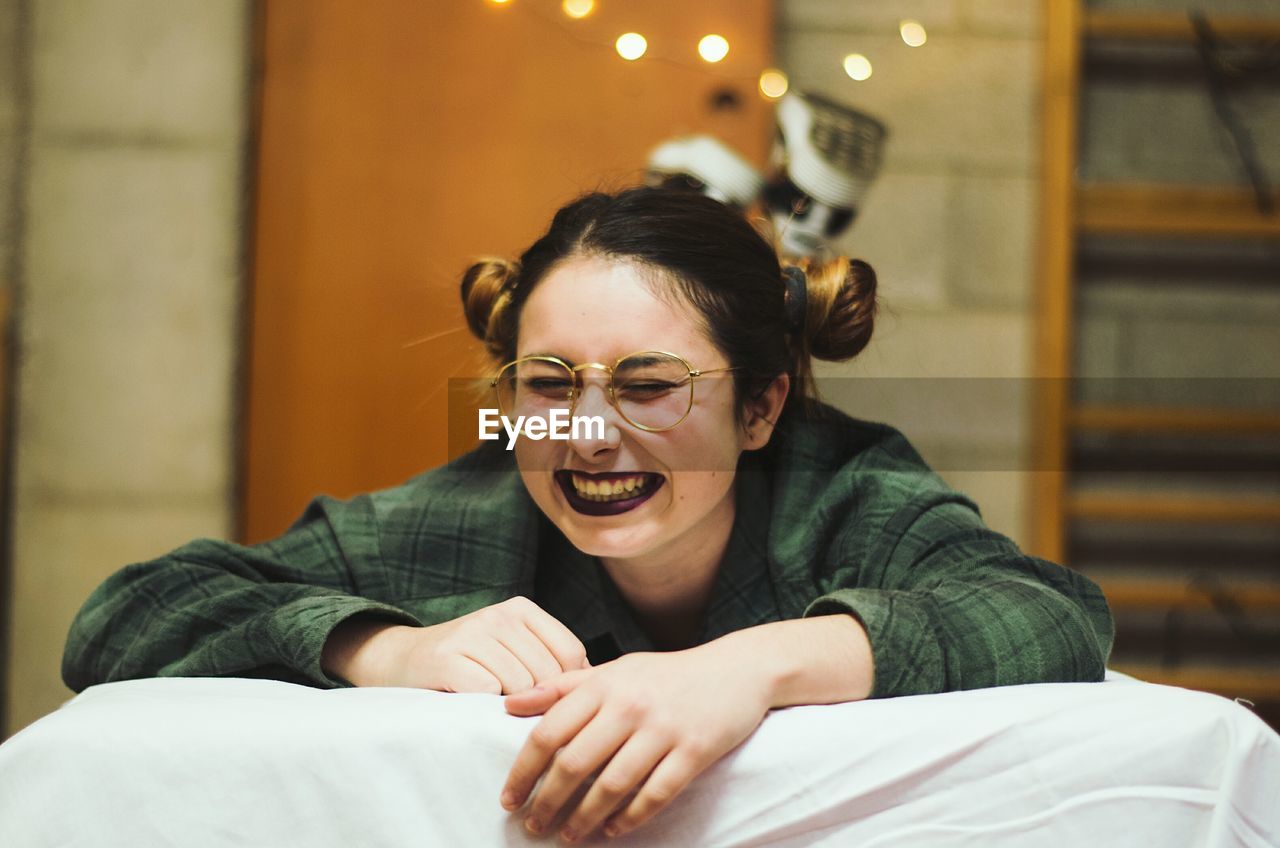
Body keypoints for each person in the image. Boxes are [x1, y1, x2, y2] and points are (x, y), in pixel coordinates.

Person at [63, 187, 1114, 843]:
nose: (587, 433)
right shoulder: (469, 506)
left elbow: (1049, 611)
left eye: (651, 385)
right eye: (549, 382)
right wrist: (384, 647)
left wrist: (752, 666)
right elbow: (121, 615)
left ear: (760, 406)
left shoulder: (845, 491)